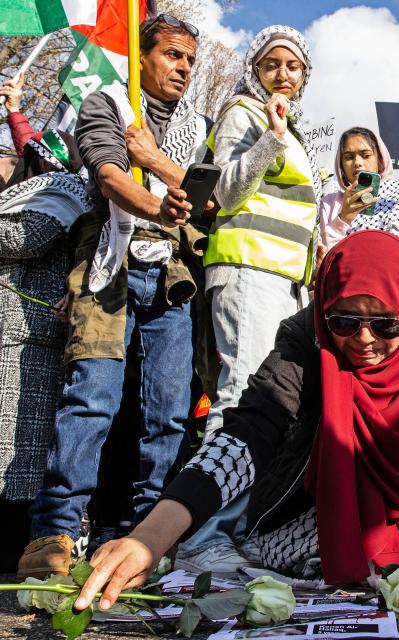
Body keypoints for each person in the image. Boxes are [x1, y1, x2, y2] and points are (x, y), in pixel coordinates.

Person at [70, 231, 399, 608]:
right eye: (344, 320)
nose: (363, 340)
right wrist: (151, 537)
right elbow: (251, 431)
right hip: (311, 505)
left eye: (385, 325)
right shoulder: (305, 336)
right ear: (324, 311)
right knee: (351, 554)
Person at [17, 14, 210, 579]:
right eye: (173, 55)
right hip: (111, 269)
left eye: (191, 60)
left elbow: (212, 201)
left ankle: (148, 537)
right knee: (91, 399)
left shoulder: (199, 126)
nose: (184, 68)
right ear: (141, 55)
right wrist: (157, 203)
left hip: (172, 280)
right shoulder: (108, 103)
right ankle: (52, 531)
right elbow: (106, 175)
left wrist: (154, 161)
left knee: (169, 414)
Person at [176, 26, 321, 573]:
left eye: (293, 67)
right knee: (239, 397)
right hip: (245, 269)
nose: (283, 75)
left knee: (276, 406)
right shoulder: (243, 112)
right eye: (271, 65)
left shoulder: (295, 134)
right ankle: (201, 535)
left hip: (282, 279)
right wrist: (271, 141)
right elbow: (227, 191)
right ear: (255, 71)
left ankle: (238, 528)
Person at [0, 145, 89, 571]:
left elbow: (27, 236)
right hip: (15, 334)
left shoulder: (59, 186)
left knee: (19, 454)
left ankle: (15, 547)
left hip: (29, 336)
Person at [319, 127, 399, 291]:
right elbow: (323, 258)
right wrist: (343, 218)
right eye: (349, 157)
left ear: (380, 160)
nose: (357, 163)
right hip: (340, 294)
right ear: (341, 166)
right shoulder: (329, 203)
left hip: (388, 291)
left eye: (365, 155)